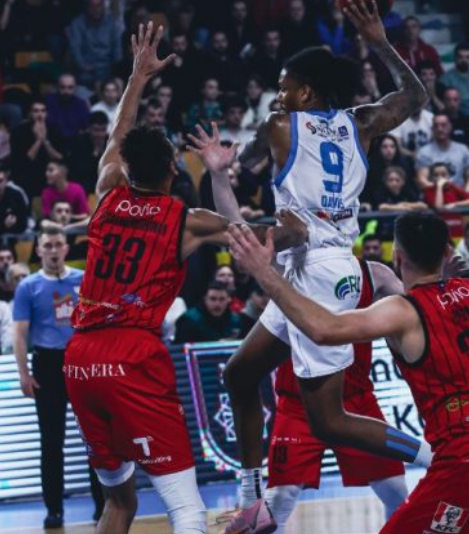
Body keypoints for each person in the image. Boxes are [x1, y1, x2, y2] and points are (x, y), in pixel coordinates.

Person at [62, 23, 308, 534]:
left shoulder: (106, 192)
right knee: (187, 510)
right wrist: (297, 225)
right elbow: (255, 236)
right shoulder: (187, 220)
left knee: (118, 502)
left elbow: (118, 136)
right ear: (174, 172)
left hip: (80, 358)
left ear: (126, 168)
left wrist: (138, 77)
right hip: (132, 354)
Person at [226, 212, 469, 534]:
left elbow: (323, 329)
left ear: (397, 256)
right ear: (448, 254)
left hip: (466, 465)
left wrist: (263, 272)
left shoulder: (403, 310)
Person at [211, 3, 432, 531]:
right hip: (322, 265)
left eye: (284, 88)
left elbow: (247, 164)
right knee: (240, 372)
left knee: (330, 421)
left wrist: (223, 168)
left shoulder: (279, 125)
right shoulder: (363, 123)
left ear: (306, 93)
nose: (277, 96)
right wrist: (379, 41)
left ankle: (441, 455)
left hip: (317, 271)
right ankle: (252, 494)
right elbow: (415, 97)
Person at [265, 259, 409, 532]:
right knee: (280, 498)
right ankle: (428, 455)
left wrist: (440, 286)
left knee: (396, 491)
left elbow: (418, 306)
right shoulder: (290, 268)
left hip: (355, 400)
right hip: (299, 402)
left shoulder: (375, 273)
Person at [12, 227, 104, 528]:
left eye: (58, 244)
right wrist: (23, 373)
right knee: (51, 442)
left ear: (66, 248)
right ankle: (54, 510)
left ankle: (103, 506)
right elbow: (19, 332)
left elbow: (98, 323)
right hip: (48, 365)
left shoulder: (83, 279)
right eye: (48, 245)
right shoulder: (28, 286)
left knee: (95, 439)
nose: (53, 250)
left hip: (82, 363)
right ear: (39, 250)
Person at [173, 282, 245, 343]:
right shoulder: (189, 321)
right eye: (213, 299)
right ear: (205, 299)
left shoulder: (236, 320)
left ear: (229, 299)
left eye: (222, 299)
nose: (217, 304)